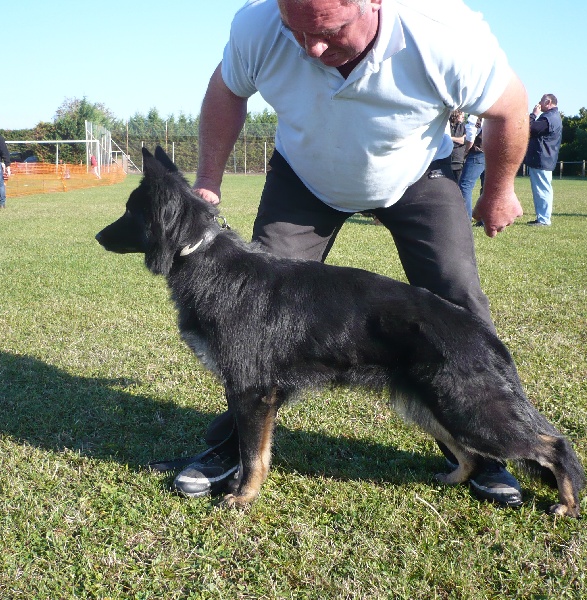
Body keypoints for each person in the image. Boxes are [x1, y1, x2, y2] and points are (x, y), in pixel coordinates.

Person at [170, 0, 529, 508]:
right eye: (299, 33)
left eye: (332, 30)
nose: (314, 49)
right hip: (306, 179)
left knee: (456, 298)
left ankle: (484, 451)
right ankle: (234, 447)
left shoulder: (445, 32)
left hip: (414, 177)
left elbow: (510, 107)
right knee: (252, 313)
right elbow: (225, 91)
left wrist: (498, 191)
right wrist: (207, 181)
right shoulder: (258, 25)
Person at [524, 94, 562, 226]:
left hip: (542, 158)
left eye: (541, 100)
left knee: (542, 189)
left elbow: (529, 128)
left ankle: (544, 219)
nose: (539, 102)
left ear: (548, 102)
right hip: (545, 158)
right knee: (543, 188)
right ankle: (542, 217)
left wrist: (533, 114)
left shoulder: (548, 118)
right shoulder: (553, 117)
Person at [458, 116, 485, 219]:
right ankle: (484, 219)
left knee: (465, 186)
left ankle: (466, 218)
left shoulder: (475, 115)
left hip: (477, 152)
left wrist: (466, 151)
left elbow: (470, 136)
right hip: (491, 153)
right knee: (486, 187)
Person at [449, 111, 466, 182]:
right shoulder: (446, 125)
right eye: (462, 115)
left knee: (459, 185)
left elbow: (463, 140)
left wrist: (450, 138)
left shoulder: (464, 126)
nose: (463, 117)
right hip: (447, 160)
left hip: (459, 161)